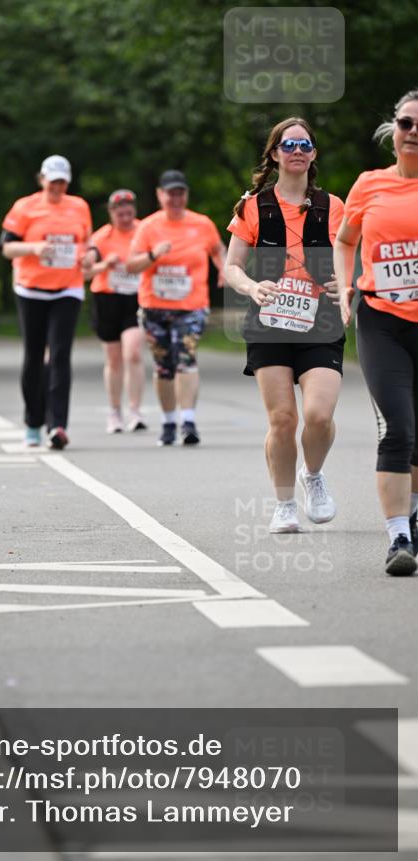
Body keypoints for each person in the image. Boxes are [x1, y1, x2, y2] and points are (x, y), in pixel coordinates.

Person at [224, 118, 345, 534]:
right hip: (270, 321)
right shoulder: (253, 206)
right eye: (288, 143)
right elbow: (232, 267)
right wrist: (252, 287)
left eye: (304, 144)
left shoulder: (335, 206)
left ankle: (313, 474)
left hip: (321, 320)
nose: (297, 150)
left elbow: (354, 257)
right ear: (274, 153)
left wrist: (347, 284)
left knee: (319, 416)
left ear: (313, 154)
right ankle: (284, 504)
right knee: (282, 420)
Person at [334, 90, 418, 576]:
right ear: (395, 130)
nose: (414, 132)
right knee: (398, 428)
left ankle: (412, 518)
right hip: (381, 317)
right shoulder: (369, 185)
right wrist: (346, 289)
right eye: (406, 123)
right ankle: (398, 538)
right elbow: (346, 240)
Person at [0, 155, 92, 450]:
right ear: (41, 180)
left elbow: (87, 244)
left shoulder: (79, 206)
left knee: (61, 355)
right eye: (52, 182)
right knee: (34, 355)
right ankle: (32, 422)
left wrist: (90, 256)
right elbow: (6, 248)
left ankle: (58, 425)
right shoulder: (25, 207)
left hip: (68, 289)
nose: (57, 187)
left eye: (62, 182)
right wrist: (34, 247)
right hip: (31, 289)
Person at [127, 170, 226, 446]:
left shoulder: (202, 224)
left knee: (186, 357)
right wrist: (152, 255)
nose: (175, 198)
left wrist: (224, 269)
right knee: (164, 366)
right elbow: (131, 265)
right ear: (160, 195)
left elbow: (219, 249)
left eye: (180, 193)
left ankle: (188, 421)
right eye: (170, 193)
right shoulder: (148, 227)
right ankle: (169, 421)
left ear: (186, 195)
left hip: (191, 305)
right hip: (154, 306)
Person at [85, 189, 146, 433]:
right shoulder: (100, 238)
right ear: (111, 213)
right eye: (120, 214)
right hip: (107, 298)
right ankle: (114, 412)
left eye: (129, 213)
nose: (125, 218)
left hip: (136, 298)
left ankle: (135, 411)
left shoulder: (144, 231)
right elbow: (84, 272)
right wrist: (104, 265)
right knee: (113, 358)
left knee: (133, 353)